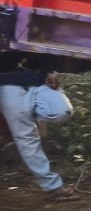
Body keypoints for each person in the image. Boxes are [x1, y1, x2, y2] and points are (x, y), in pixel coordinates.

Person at [0, 67, 77, 201]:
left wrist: (51, 72)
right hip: (7, 83)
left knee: (62, 111)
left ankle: (28, 113)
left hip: (39, 79)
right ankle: (53, 187)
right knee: (25, 135)